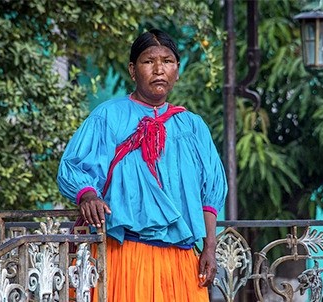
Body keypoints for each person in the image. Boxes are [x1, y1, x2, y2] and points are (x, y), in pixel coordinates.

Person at [57, 28, 227, 301]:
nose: (159, 69)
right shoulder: (109, 116)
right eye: (149, 61)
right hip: (123, 255)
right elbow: (76, 168)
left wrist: (209, 248)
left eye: (168, 61)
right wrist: (87, 194)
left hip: (182, 261)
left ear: (177, 70)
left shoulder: (193, 126)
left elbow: (210, 194)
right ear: (133, 70)